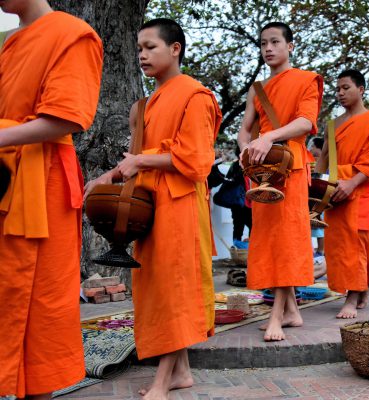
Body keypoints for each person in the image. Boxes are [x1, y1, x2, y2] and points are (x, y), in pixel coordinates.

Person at [84, 18, 221, 399]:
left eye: (150, 47)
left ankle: (163, 381)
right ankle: (182, 373)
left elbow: (196, 161)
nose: (142, 55)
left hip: (179, 204)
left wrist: (141, 164)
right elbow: (138, 156)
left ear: (175, 49)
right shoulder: (144, 105)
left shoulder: (195, 95)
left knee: (174, 289)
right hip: (147, 204)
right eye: (139, 49)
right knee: (155, 287)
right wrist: (107, 176)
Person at [0, 1, 103, 398]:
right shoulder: (11, 42)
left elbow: (68, 116)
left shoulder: (72, 33)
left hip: (43, 183)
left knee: (42, 308)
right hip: (7, 179)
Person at [237, 22, 323, 341]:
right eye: (263, 44)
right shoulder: (257, 89)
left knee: (286, 239)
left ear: (290, 46)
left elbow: (305, 122)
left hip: (292, 166)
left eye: (275, 42)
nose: (268, 48)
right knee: (269, 238)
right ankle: (292, 312)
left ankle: (277, 315)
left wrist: (269, 136)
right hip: (261, 170)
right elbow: (245, 129)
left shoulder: (305, 80)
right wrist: (245, 150)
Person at [316, 69, 369, 318]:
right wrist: (316, 190)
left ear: (361, 89)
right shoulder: (333, 125)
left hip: (360, 191)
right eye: (337, 89)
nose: (340, 93)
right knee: (337, 246)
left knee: (356, 245)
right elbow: (324, 160)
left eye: (345, 88)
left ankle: (352, 296)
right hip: (334, 192)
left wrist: (351, 183)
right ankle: (359, 287)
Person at [307, 136, 325, 257]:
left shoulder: (325, 161)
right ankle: (310, 250)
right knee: (307, 224)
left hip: (321, 196)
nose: (310, 148)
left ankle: (320, 251)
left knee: (319, 225)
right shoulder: (309, 160)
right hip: (308, 194)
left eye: (312, 146)